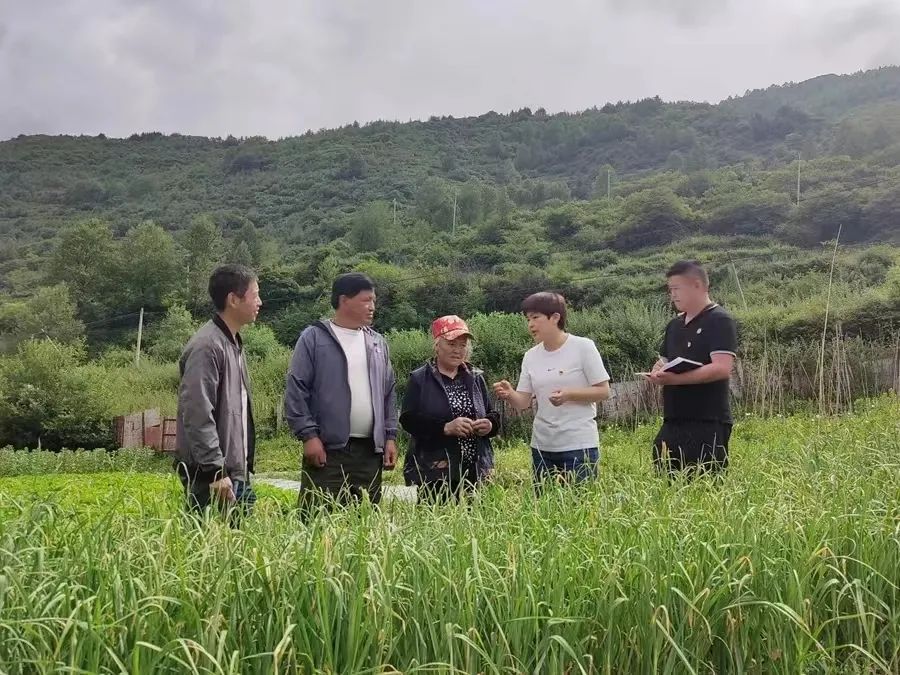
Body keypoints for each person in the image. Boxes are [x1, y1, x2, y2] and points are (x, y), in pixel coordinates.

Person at [285, 273, 398, 513]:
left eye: (374, 301)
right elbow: (296, 389)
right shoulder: (314, 338)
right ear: (344, 300)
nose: (372, 307)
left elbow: (388, 393)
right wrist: (309, 436)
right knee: (318, 517)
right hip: (327, 450)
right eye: (366, 300)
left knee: (365, 521)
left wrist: (390, 436)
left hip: (370, 452)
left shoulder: (377, 343)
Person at [493, 292, 611, 487]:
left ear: (555, 317)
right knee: (545, 503)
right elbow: (523, 402)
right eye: (528, 319)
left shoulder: (583, 347)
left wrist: (569, 394)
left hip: (579, 446)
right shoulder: (530, 356)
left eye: (536, 317)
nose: (530, 324)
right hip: (542, 447)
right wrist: (509, 394)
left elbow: (604, 391)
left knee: (580, 502)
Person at [174, 264, 262, 523]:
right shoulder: (207, 346)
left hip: (233, 471)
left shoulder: (232, 342)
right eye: (255, 295)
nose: (260, 302)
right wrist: (215, 469)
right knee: (211, 544)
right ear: (233, 299)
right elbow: (197, 411)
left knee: (238, 543)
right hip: (212, 476)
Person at [645, 260, 738, 477]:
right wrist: (658, 371)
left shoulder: (720, 320)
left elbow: (721, 368)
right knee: (666, 479)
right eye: (670, 290)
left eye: (677, 289)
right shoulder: (674, 325)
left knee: (704, 484)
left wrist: (675, 380)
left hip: (707, 419)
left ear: (697, 285)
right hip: (673, 418)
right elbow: (663, 361)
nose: (673, 295)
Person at [401, 315, 500, 504]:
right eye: (452, 344)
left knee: (478, 519)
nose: (458, 350)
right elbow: (408, 419)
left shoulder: (475, 377)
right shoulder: (420, 379)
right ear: (437, 345)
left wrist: (489, 424)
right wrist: (445, 427)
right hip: (436, 468)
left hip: (475, 468)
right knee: (438, 516)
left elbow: (491, 413)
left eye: (463, 345)